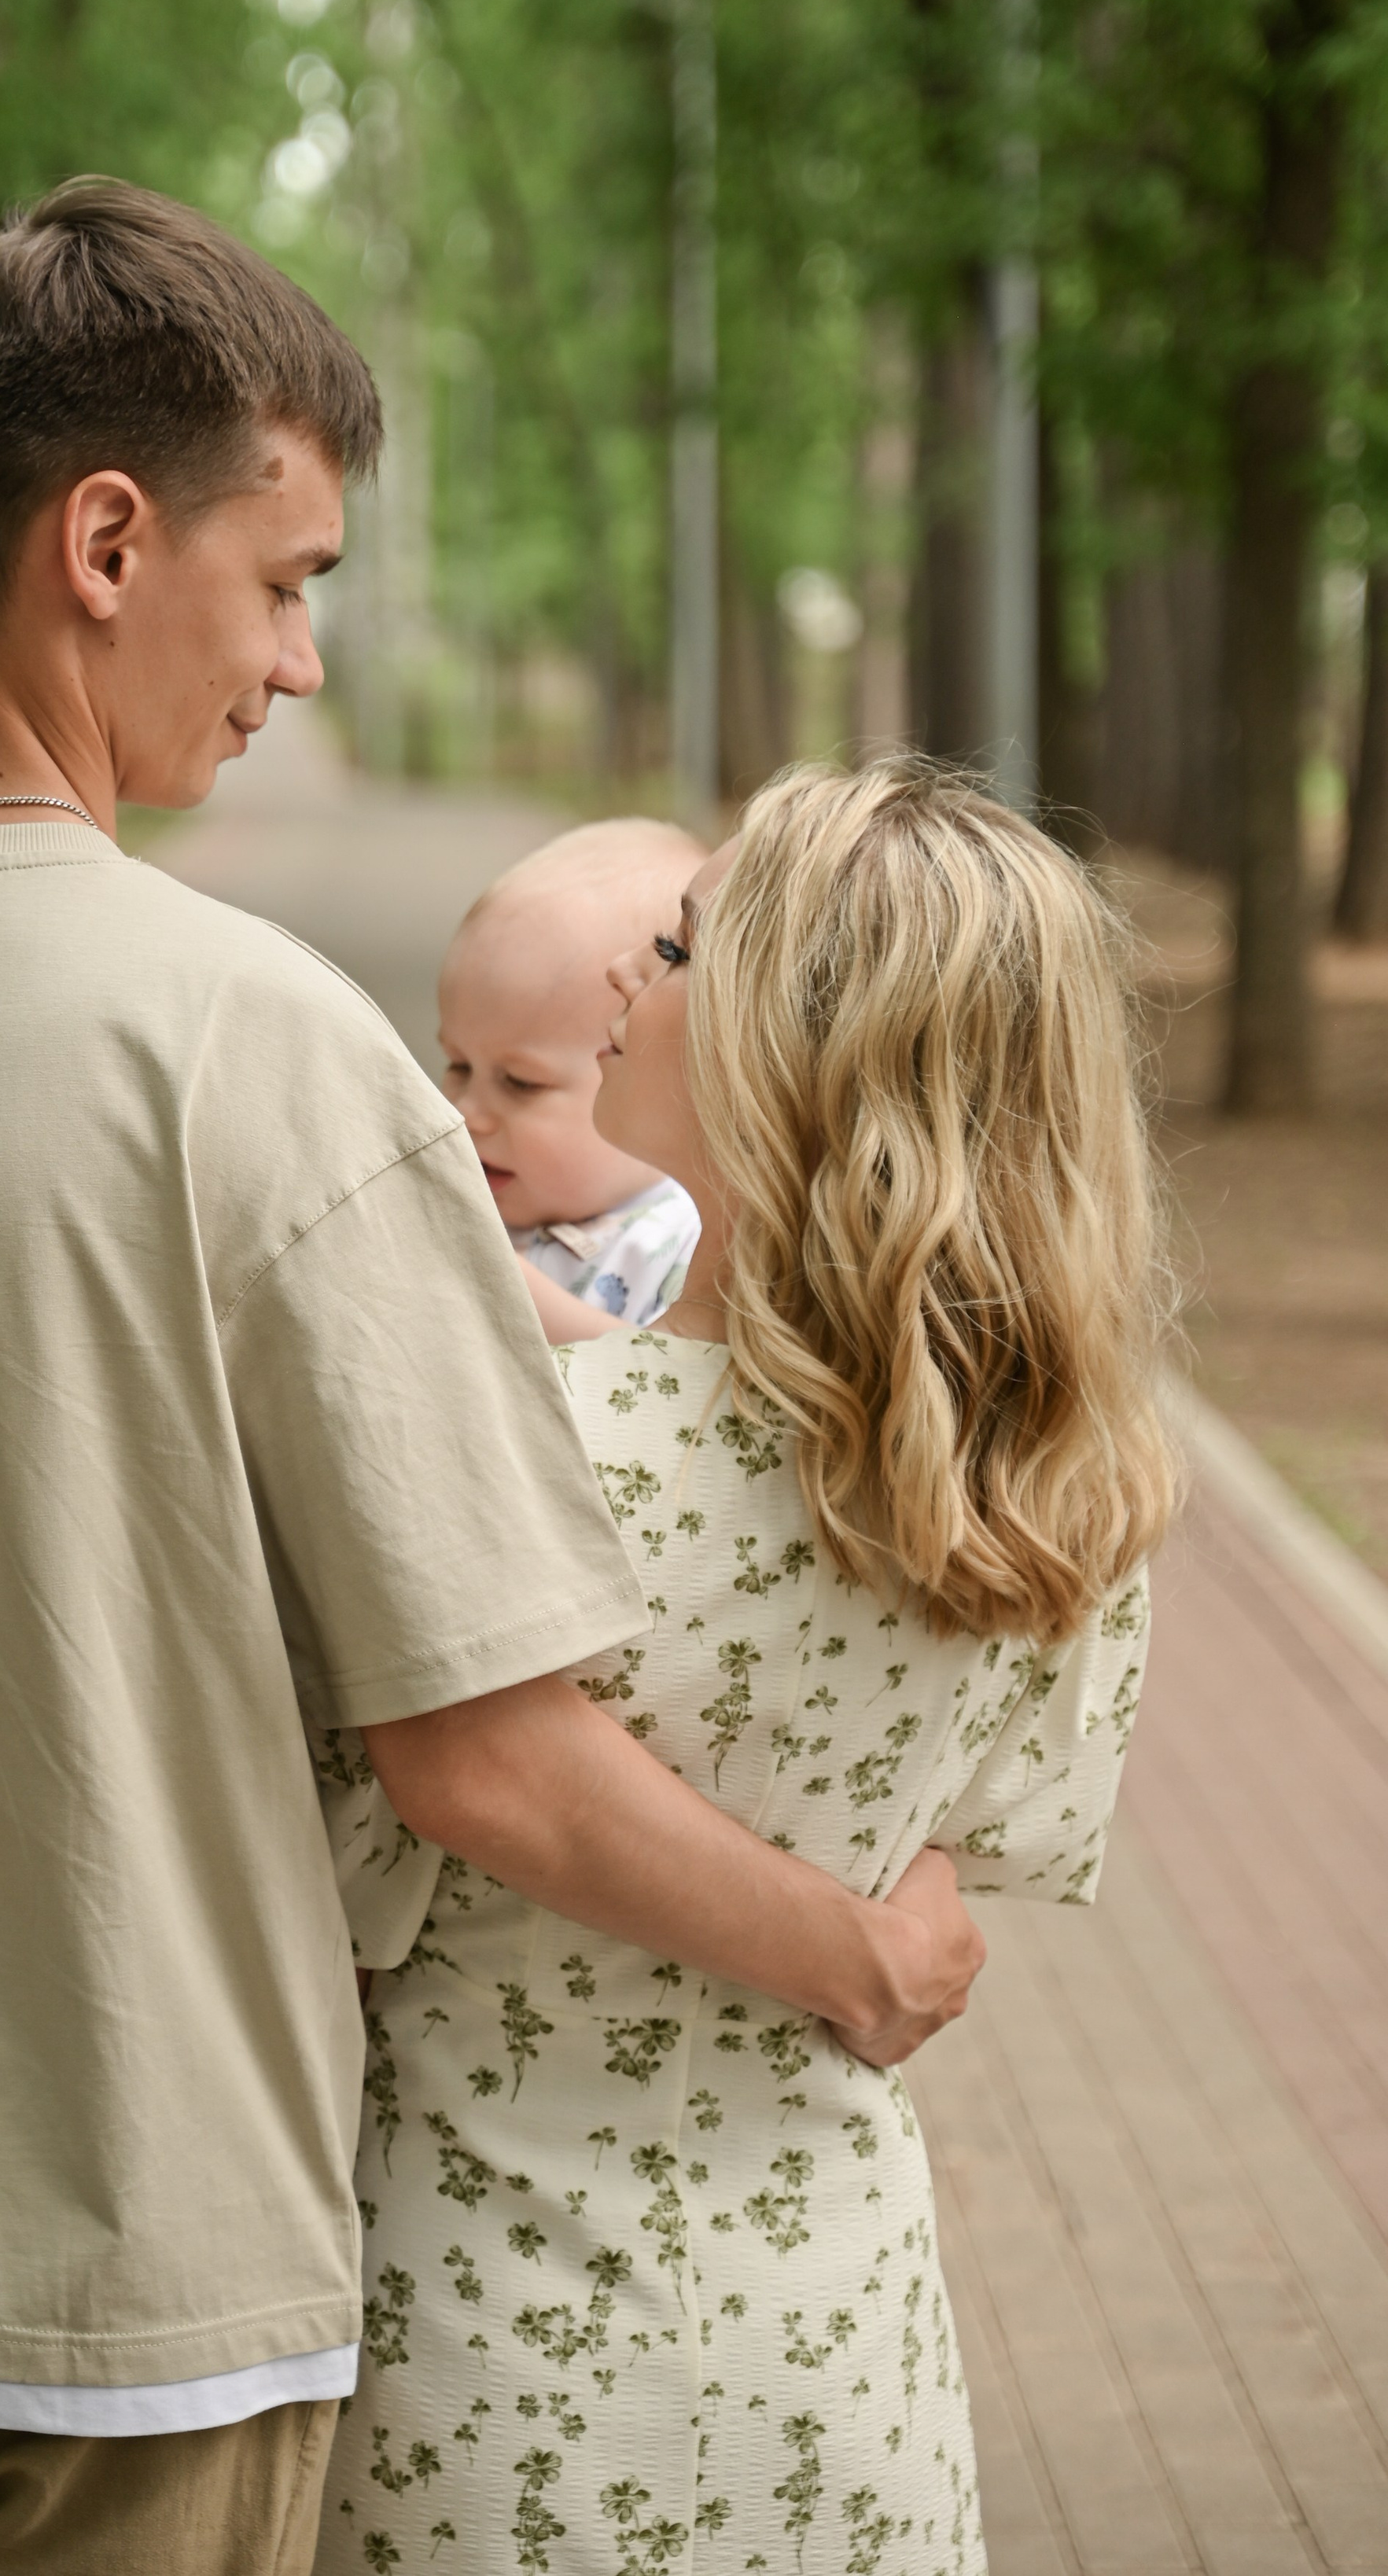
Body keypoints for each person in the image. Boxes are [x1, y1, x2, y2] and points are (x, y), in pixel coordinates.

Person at [0, 182, 982, 2576]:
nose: (304, 664)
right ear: (105, 541)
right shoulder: (263, 1052)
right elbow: (486, 1752)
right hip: (132, 2322)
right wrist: (855, 1948)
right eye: (292, 577)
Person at [319, 759, 1177, 2576]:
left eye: (684, 944)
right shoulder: (1042, 1489)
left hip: (484, 2346)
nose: (630, 972)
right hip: (834, 2352)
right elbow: (979, 1843)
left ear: (784, 1053)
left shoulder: (520, 1438)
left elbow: (324, 1844)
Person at [438, 821, 705, 1342]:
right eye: (457, 1065)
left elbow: (670, 1390)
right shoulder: (446, 1201)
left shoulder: (681, 1240)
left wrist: (511, 1290)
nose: (468, 1111)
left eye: (520, 1082)